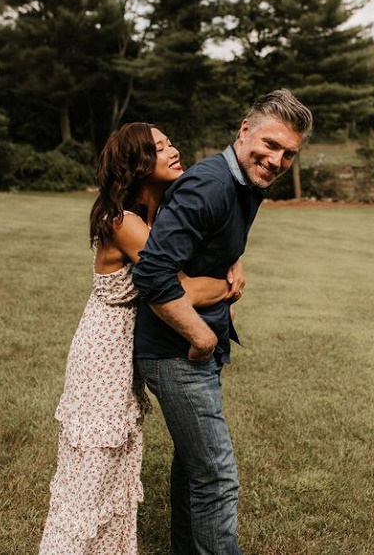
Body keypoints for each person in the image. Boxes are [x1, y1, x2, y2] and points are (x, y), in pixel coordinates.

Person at [39, 122, 244, 555]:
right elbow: (180, 288)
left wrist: (233, 259)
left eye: (171, 142)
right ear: (136, 165)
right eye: (159, 148)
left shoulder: (160, 215)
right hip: (103, 353)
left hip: (126, 352)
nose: (173, 150)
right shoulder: (124, 223)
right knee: (93, 466)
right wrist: (227, 283)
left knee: (116, 464)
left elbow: (202, 252)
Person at [132, 89, 313, 554]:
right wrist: (200, 335)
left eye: (288, 154)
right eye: (270, 145)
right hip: (176, 352)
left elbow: (208, 240)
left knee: (194, 469)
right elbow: (151, 274)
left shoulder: (244, 182)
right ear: (244, 131)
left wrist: (232, 260)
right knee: (217, 477)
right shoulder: (210, 184)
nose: (276, 160)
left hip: (192, 348)